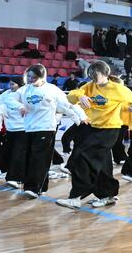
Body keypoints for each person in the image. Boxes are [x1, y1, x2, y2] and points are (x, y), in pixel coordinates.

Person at [55, 61, 132, 209]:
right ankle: (107, 195)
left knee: (80, 156)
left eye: (94, 74)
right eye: (90, 74)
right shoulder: (89, 86)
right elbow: (70, 97)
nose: (91, 76)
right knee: (103, 164)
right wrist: (80, 96)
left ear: (104, 73)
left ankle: (76, 196)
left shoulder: (117, 89)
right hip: (93, 127)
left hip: (109, 130)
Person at [10, 64, 86, 198]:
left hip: (46, 128)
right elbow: (10, 100)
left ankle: (33, 188)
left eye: (34, 77)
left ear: (42, 76)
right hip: (29, 128)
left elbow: (67, 105)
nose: (31, 80)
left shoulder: (52, 89)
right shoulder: (24, 90)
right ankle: (41, 186)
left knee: (39, 158)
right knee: (30, 157)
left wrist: (80, 117)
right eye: (29, 77)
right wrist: (20, 106)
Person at [0, 77, 27, 188]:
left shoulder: (24, 94)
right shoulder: (6, 94)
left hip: (22, 130)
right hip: (10, 130)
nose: (10, 86)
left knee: (17, 154)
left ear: (19, 85)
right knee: (6, 153)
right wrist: (0, 112)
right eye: (10, 84)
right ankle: (19, 176)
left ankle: (13, 178)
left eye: (13, 84)